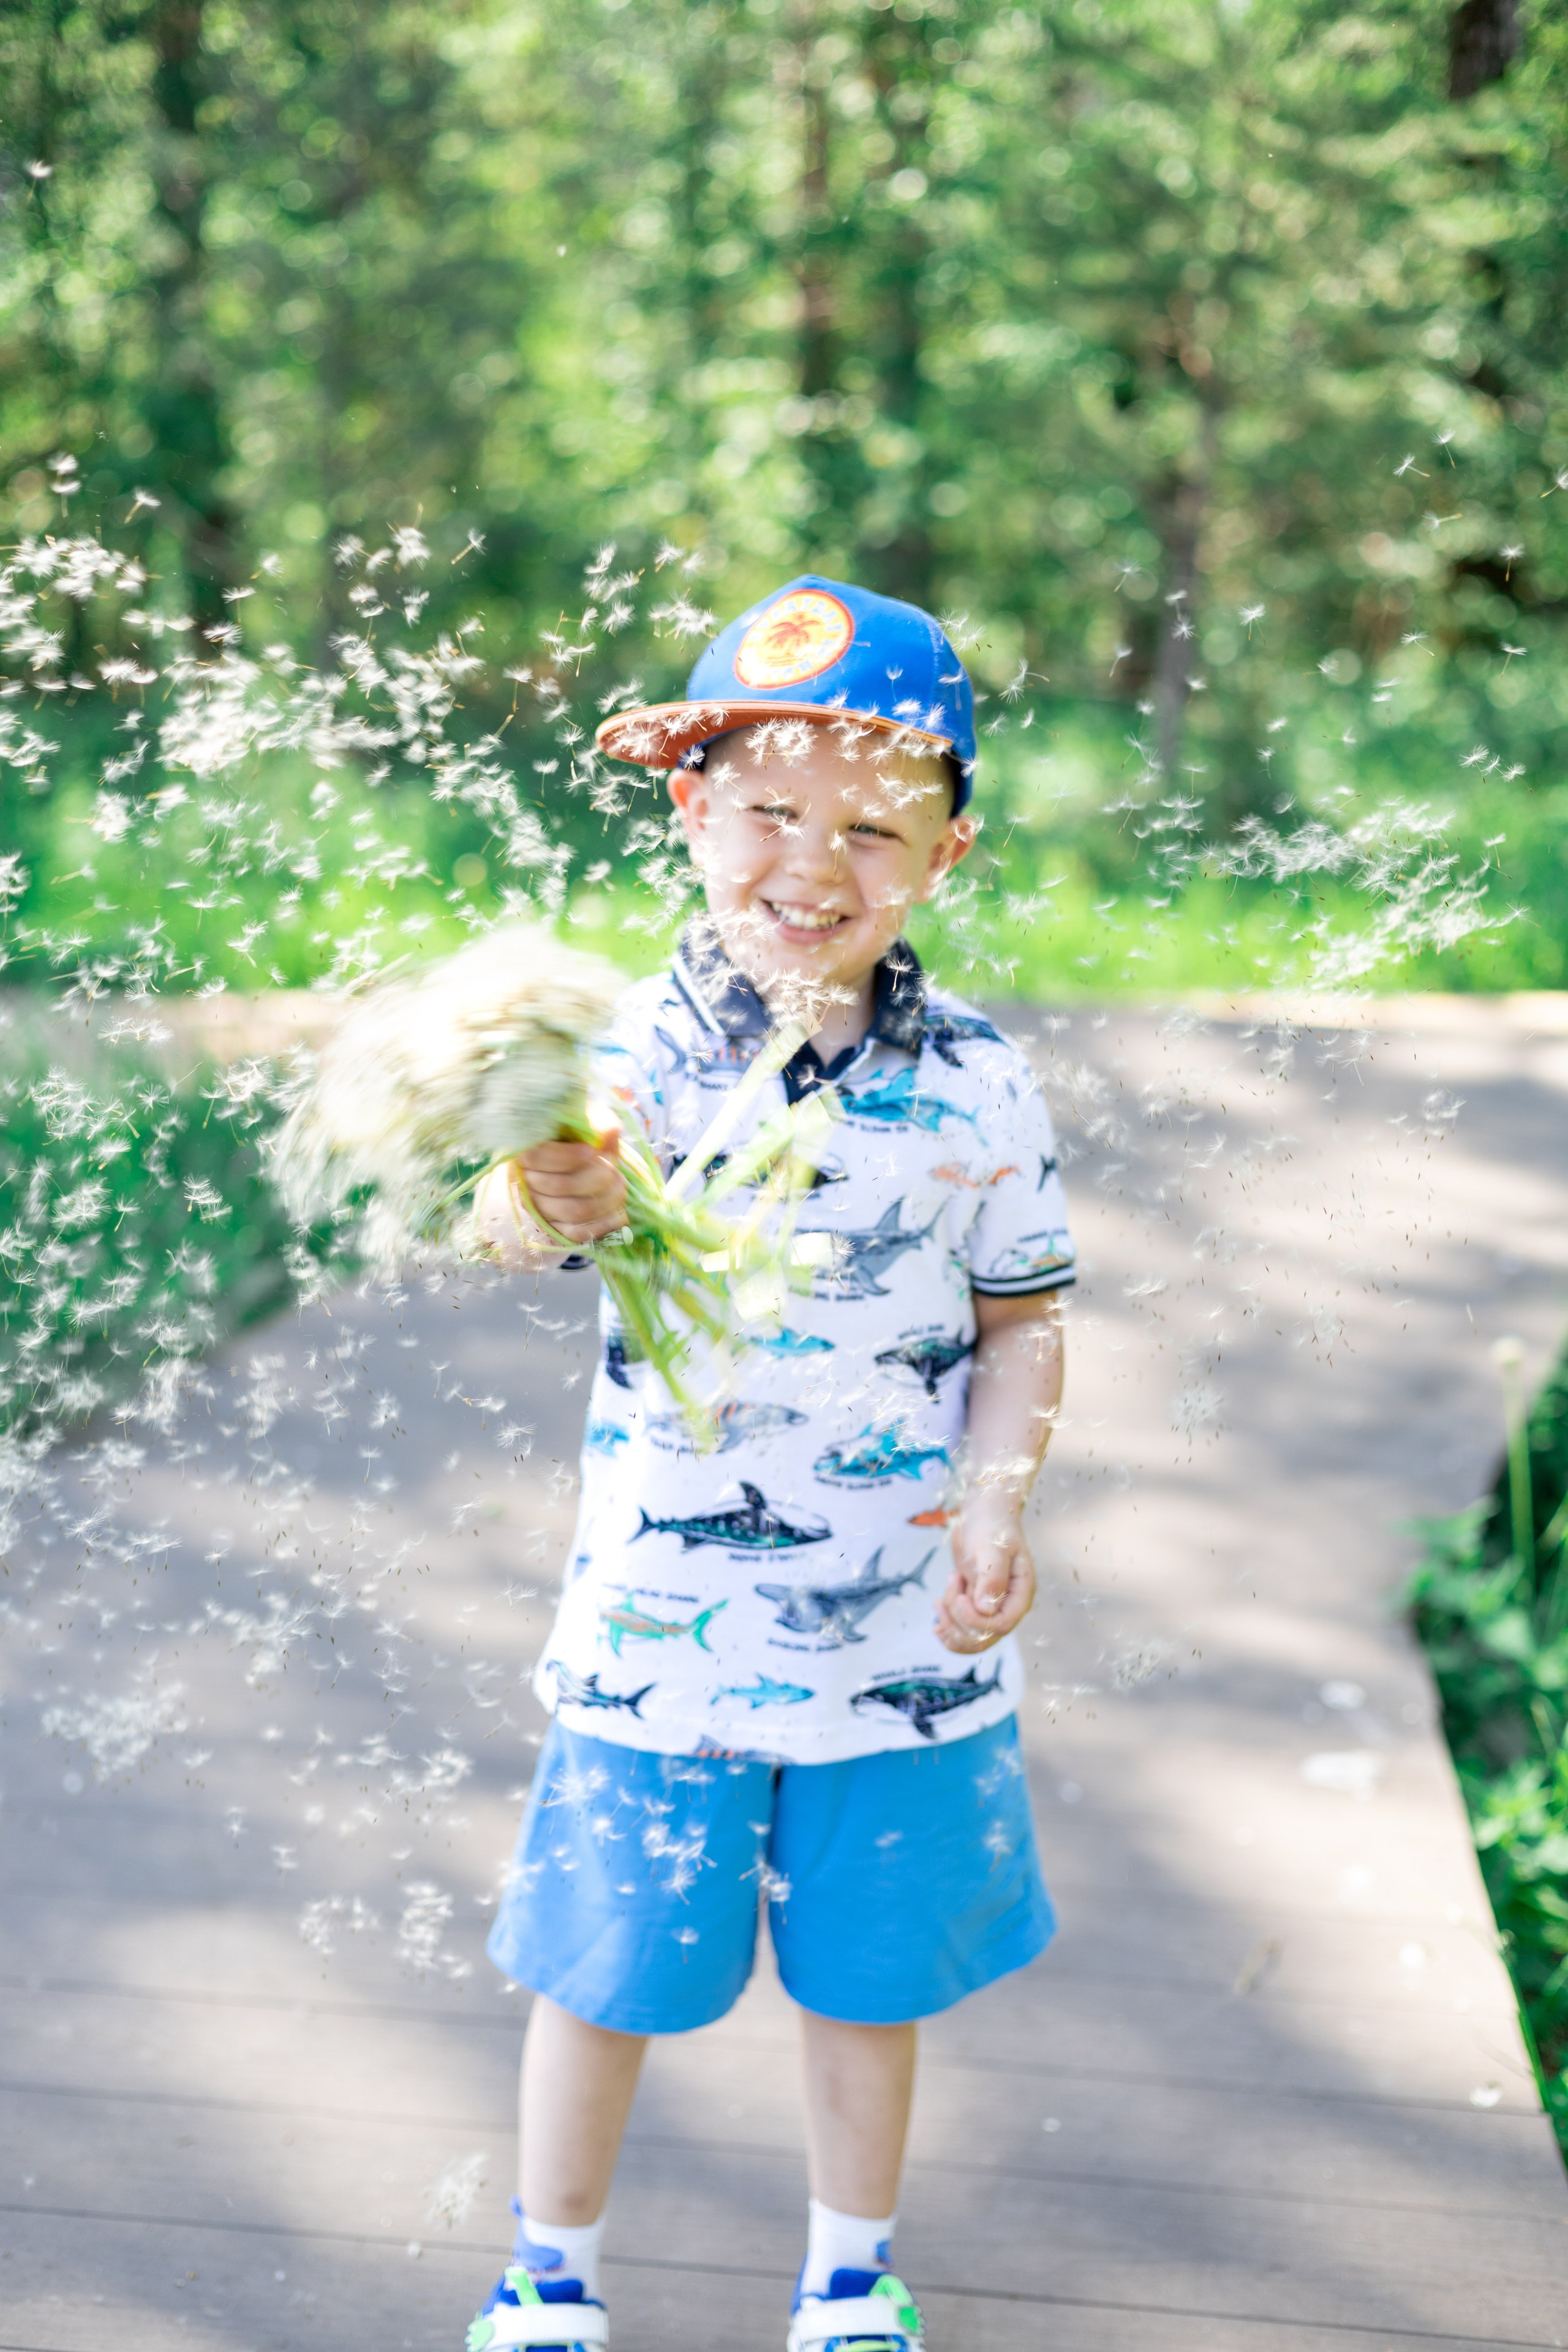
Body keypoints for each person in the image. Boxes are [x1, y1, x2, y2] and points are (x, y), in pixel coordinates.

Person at [466, 576, 1074, 2352]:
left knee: (867, 1978)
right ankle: (548, 2270)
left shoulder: (980, 1087)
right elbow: (526, 1218)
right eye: (770, 812)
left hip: (902, 1639)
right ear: (692, 812)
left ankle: (847, 2272)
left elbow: (1024, 1323)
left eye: (877, 829)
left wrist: (993, 1494)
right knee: (605, 1970)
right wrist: (540, 1193)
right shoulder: (620, 1059)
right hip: (664, 1630)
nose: (819, 863)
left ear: (946, 856)